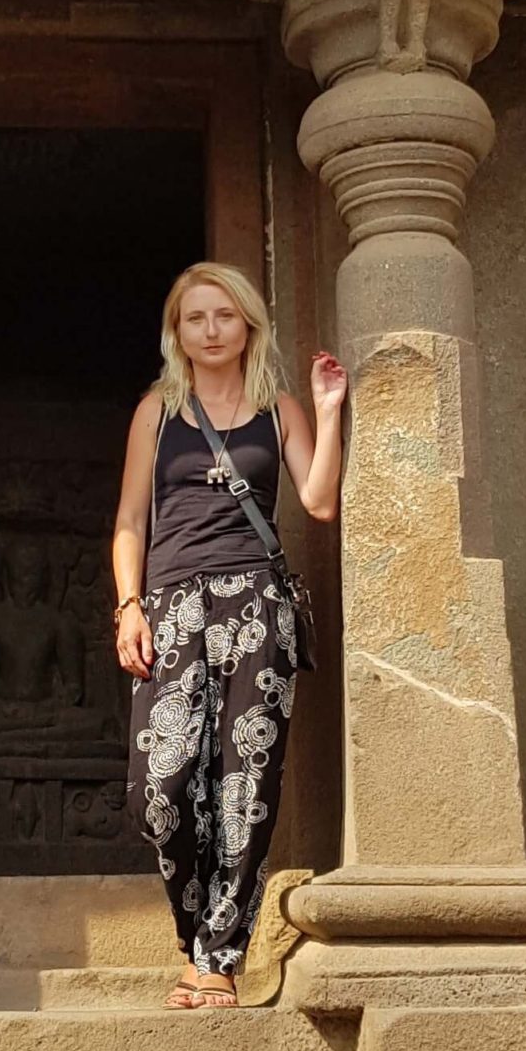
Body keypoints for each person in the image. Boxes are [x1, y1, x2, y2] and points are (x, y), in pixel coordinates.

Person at [112, 262, 345, 1007]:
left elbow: (317, 501)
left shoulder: (277, 409)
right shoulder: (157, 412)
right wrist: (127, 606)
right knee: (163, 789)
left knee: (245, 786)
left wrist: (328, 408)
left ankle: (216, 960)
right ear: (176, 332)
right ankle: (197, 936)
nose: (210, 330)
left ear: (248, 324)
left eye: (224, 316)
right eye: (195, 318)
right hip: (172, 605)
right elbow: (128, 522)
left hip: (256, 607)